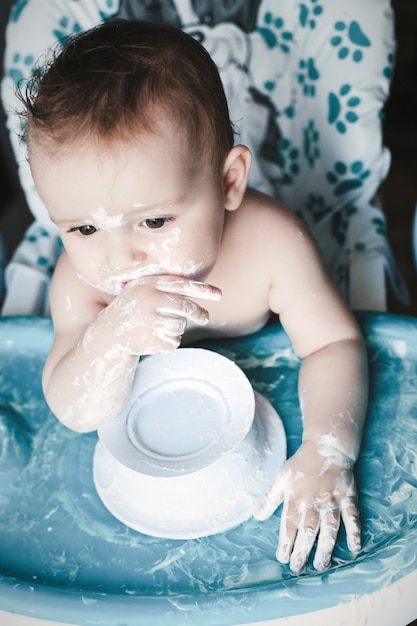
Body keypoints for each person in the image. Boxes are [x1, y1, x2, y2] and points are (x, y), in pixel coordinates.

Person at [22, 19, 368, 575]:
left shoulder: (273, 246)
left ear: (229, 183)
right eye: (83, 229)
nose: (119, 260)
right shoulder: (81, 284)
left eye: (153, 220)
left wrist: (328, 449)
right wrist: (109, 338)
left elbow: (334, 341)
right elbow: (72, 408)